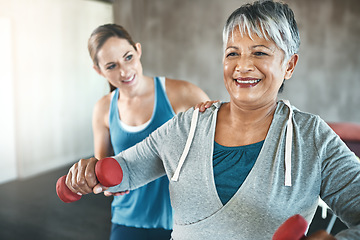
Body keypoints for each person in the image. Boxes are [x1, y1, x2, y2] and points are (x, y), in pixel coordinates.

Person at [66, 1, 360, 240]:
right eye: (233, 53)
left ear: (289, 65)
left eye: (259, 52)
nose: (243, 66)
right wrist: (93, 170)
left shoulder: (313, 138)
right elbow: (127, 168)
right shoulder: (189, 125)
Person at [84, 24, 211, 240]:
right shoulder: (103, 108)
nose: (124, 71)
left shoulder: (183, 93)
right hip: (128, 218)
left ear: (138, 50)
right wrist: (103, 182)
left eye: (128, 57)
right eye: (111, 66)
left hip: (182, 220)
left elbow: (219, 142)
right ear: (98, 70)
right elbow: (103, 169)